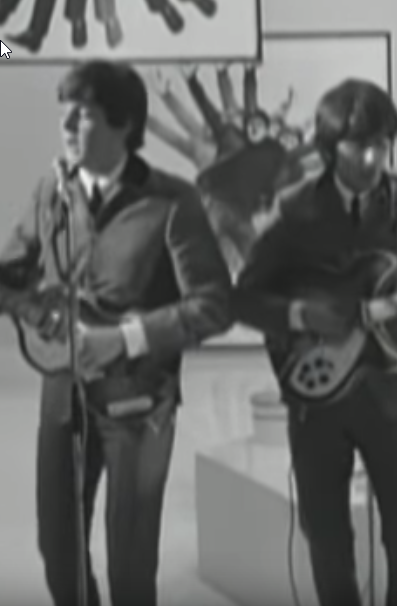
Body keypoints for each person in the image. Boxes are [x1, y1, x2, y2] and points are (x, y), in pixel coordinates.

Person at [0, 61, 232, 606]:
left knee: (130, 564)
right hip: (63, 394)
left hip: (140, 404)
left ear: (124, 124)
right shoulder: (50, 192)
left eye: (81, 115)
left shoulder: (173, 201)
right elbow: (8, 276)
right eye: (63, 114)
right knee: (59, 552)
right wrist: (34, 310)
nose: (65, 126)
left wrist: (126, 338)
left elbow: (215, 306)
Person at [234, 78, 397, 606]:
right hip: (316, 397)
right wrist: (298, 314)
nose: (373, 158)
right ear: (329, 147)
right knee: (327, 539)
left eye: (382, 144)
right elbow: (244, 299)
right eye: (359, 147)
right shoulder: (293, 208)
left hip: (391, 391)